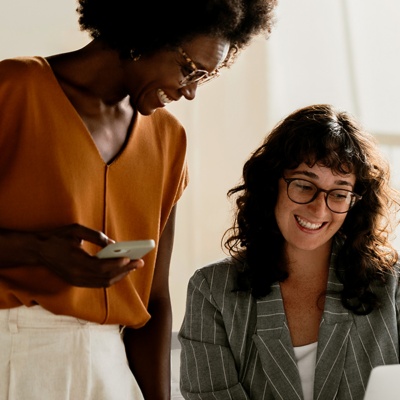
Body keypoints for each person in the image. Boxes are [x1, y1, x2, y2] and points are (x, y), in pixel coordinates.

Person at [0, 0, 278, 399]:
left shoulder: (169, 139)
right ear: (145, 35)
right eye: (189, 69)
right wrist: (36, 251)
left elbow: (154, 300)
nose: (191, 92)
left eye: (205, 78)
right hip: (15, 354)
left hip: (111, 367)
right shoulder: (14, 88)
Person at [179, 104, 400, 400]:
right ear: (272, 184)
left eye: (339, 193)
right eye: (304, 185)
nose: (319, 208)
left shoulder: (391, 285)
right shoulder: (212, 290)